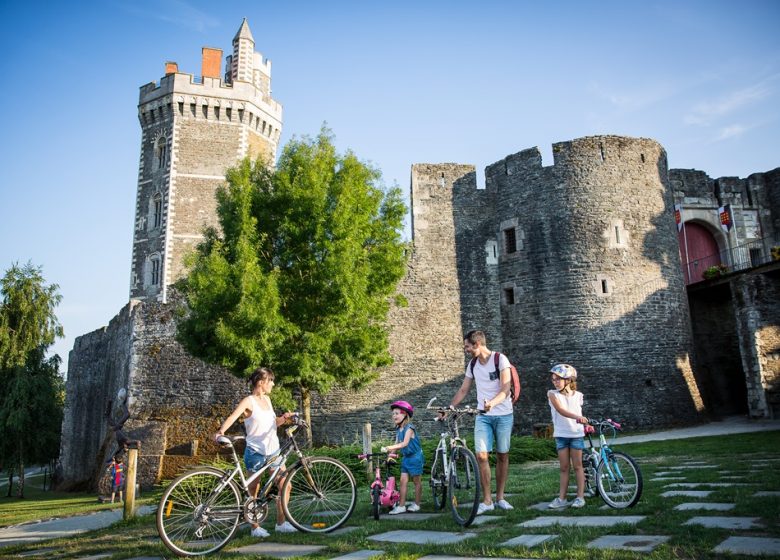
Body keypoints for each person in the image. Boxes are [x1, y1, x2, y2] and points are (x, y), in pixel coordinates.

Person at [215, 367, 297, 537]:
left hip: (273, 451)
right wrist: (220, 432)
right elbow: (232, 416)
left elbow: (272, 423)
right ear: (261, 382)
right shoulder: (248, 402)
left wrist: (285, 419)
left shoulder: (267, 400)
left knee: (285, 485)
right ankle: (255, 528)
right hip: (256, 452)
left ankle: (281, 524)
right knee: (253, 490)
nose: (273, 384)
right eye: (271, 381)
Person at [448, 330, 514, 515]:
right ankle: (487, 500)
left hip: (503, 415)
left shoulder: (500, 360)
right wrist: (449, 407)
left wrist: (492, 403)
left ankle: (500, 497)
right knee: (481, 455)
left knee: (502, 455)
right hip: (483, 416)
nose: (466, 350)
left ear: (477, 344)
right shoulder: (473, 364)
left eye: (467, 346)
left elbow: (506, 388)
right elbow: (463, 390)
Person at [547, 363, 588, 509]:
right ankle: (562, 498)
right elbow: (561, 410)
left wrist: (584, 422)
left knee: (578, 466)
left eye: (558, 379)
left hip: (576, 434)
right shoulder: (552, 394)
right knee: (564, 468)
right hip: (561, 435)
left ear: (568, 380)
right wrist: (578, 417)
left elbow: (580, 414)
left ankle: (580, 497)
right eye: (553, 379)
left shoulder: (578, 396)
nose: (555, 382)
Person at [381, 400, 424, 514]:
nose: (394, 415)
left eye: (397, 413)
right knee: (403, 481)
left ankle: (417, 504)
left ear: (405, 414)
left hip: (415, 457)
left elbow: (404, 443)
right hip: (406, 458)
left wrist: (389, 447)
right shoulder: (398, 429)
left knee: (416, 481)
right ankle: (401, 506)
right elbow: (397, 443)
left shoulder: (409, 428)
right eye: (393, 413)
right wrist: (390, 455)